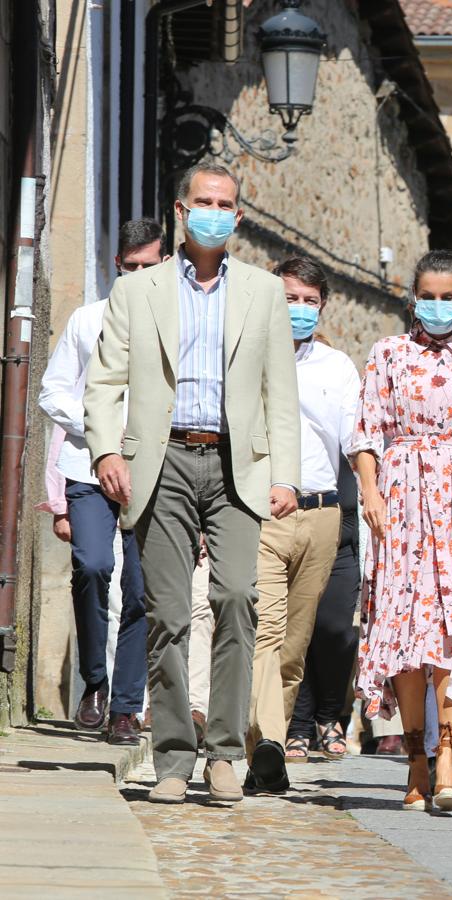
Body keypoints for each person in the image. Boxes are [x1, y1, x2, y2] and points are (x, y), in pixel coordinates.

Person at [84, 163, 301, 805]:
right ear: (181, 211)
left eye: (224, 203)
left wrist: (285, 474)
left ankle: (226, 751)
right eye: (201, 201)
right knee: (170, 613)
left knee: (237, 599)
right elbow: (103, 383)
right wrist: (105, 453)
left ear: (238, 217)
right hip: (164, 462)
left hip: (239, 464)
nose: (212, 211)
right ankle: (175, 757)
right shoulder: (139, 291)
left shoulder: (264, 292)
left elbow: (278, 393)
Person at [353, 249, 452, 814]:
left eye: (448, 296)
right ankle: (413, 757)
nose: (438, 305)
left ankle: (446, 757)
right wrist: (371, 495)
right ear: (412, 297)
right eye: (428, 295)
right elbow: (366, 434)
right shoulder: (386, 354)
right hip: (399, 497)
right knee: (406, 630)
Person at [37, 218, 164, 745]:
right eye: (129, 267)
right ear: (116, 266)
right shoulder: (87, 321)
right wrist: (101, 431)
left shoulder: (176, 327)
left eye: (148, 267)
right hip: (89, 467)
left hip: (155, 471)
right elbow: (52, 390)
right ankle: (95, 683)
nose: (137, 275)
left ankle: (126, 708)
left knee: (141, 590)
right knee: (92, 566)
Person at [243, 256, 360, 793]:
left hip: (322, 513)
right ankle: (263, 743)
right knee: (264, 634)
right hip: (262, 512)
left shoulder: (337, 368)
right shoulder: (244, 355)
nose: (299, 309)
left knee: (295, 644)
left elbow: (357, 442)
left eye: (310, 301)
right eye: (290, 298)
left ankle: (270, 748)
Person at [288, 453, 361, 762]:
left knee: (336, 629)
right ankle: (300, 725)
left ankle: (330, 715)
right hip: (301, 517)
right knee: (300, 629)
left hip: (346, 528)